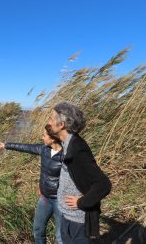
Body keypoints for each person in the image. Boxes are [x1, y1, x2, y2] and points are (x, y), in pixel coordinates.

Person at [48, 102, 112, 244]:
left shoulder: (77, 148)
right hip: (67, 216)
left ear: (62, 124)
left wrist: (82, 202)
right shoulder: (67, 143)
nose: (49, 122)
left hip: (78, 220)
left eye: (51, 119)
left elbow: (104, 184)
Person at [0, 125, 63, 244]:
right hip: (45, 198)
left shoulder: (67, 155)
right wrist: (7, 145)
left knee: (60, 237)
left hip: (61, 201)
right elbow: (26, 147)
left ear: (53, 138)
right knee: (38, 231)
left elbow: (80, 177)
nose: (42, 137)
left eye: (44, 135)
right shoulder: (44, 149)